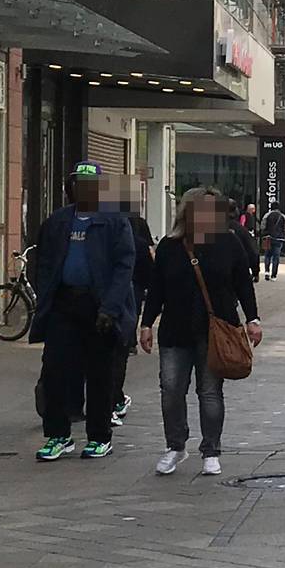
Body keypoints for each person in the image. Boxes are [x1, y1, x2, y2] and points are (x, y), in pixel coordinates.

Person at [140, 189, 261, 478]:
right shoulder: (170, 246)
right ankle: (175, 446)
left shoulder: (228, 242)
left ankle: (211, 451)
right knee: (171, 390)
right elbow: (156, 288)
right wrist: (146, 324)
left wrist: (252, 319)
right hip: (175, 330)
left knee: (209, 392)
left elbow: (243, 283)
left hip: (215, 331)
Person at [28, 163, 138, 461]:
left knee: (100, 375)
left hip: (100, 308)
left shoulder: (114, 222)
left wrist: (110, 308)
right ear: (72, 187)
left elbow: (124, 267)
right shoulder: (58, 221)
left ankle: (99, 437)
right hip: (64, 306)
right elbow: (43, 262)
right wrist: (46, 297)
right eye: (79, 183)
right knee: (56, 371)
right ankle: (58, 435)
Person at [110, 179, 156, 429]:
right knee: (128, 320)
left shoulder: (107, 222)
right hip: (134, 284)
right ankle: (128, 341)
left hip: (113, 288)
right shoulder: (137, 224)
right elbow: (148, 252)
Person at [260, 201, 285, 281]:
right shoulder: (283, 216)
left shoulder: (267, 215)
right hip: (279, 239)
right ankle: (274, 275)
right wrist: (284, 235)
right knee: (276, 257)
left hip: (268, 238)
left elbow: (263, 226)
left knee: (267, 255)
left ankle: (267, 272)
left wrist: (264, 233)